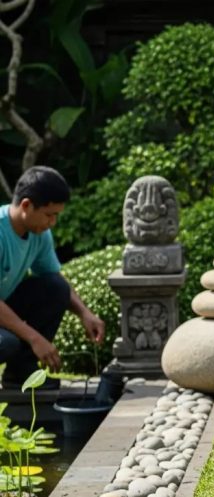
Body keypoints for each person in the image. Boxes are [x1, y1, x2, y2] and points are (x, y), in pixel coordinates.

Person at [0, 166, 106, 387]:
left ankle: (21, 374)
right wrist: (34, 338)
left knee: (56, 288)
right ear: (26, 205)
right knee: (5, 343)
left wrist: (85, 313)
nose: (53, 222)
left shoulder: (39, 235)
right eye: (49, 215)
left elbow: (55, 279)